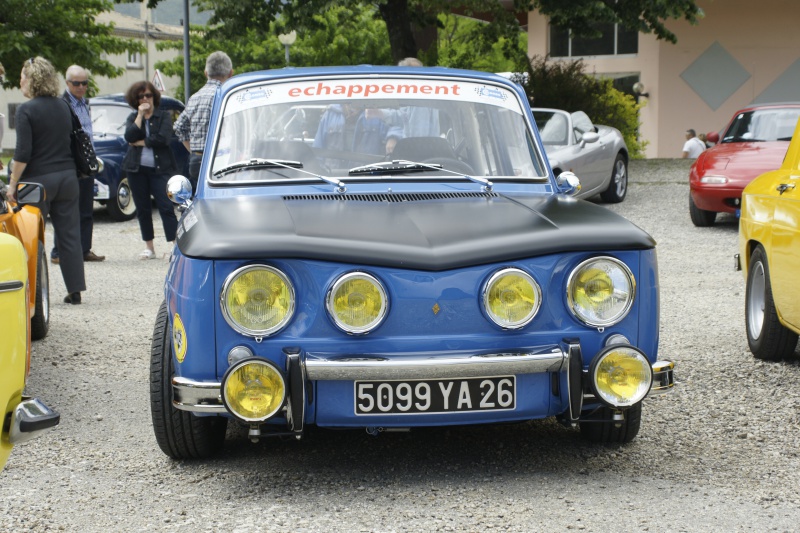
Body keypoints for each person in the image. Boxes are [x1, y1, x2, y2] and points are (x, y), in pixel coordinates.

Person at [8, 57, 86, 304]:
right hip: (67, 178)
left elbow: (22, 154)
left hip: (37, 184)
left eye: (23, 76)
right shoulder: (64, 106)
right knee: (70, 236)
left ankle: (33, 291)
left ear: (32, 79)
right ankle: (75, 291)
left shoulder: (26, 110)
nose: (20, 81)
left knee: (32, 237)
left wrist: (12, 184)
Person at [51, 64, 105, 265]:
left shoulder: (85, 103)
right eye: (77, 83)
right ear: (67, 83)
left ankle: (84, 249)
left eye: (84, 83)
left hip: (86, 163)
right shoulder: (62, 104)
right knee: (65, 210)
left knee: (85, 209)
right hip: (71, 163)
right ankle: (58, 252)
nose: (81, 87)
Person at [122, 81, 178, 260]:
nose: (145, 99)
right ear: (135, 100)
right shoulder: (133, 117)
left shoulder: (163, 116)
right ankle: (149, 247)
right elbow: (129, 136)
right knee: (143, 208)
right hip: (136, 170)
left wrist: (141, 142)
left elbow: (163, 138)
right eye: (141, 97)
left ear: (154, 97)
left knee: (166, 206)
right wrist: (139, 116)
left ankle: (174, 245)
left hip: (161, 169)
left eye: (148, 95)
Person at [174, 51, 233, 192]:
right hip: (223, 160)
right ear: (231, 73)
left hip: (197, 160)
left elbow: (178, 127)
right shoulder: (228, 96)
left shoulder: (195, 97)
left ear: (206, 73)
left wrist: (193, 150)